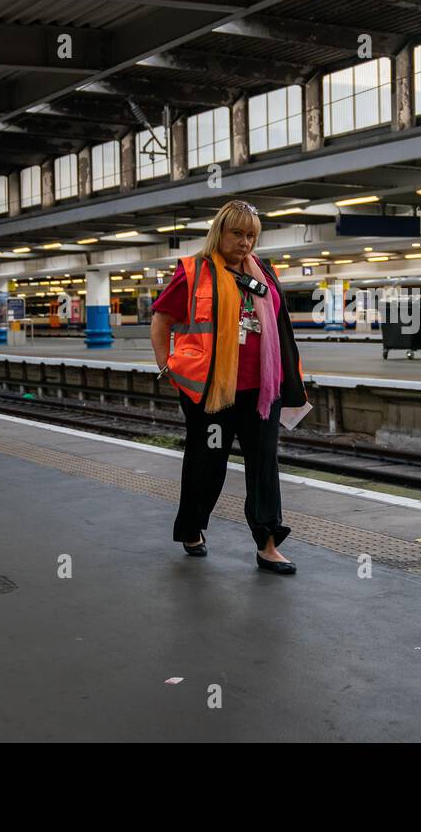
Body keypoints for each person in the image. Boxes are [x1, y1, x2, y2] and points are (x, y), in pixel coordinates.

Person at [150, 200, 308, 576]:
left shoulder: (265, 274)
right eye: (237, 233)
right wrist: (167, 368)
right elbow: (161, 323)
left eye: (251, 235)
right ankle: (191, 528)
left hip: (261, 392)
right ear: (219, 232)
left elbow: (281, 331)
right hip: (211, 395)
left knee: (264, 466)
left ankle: (268, 545)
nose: (245, 242)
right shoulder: (193, 273)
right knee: (207, 465)